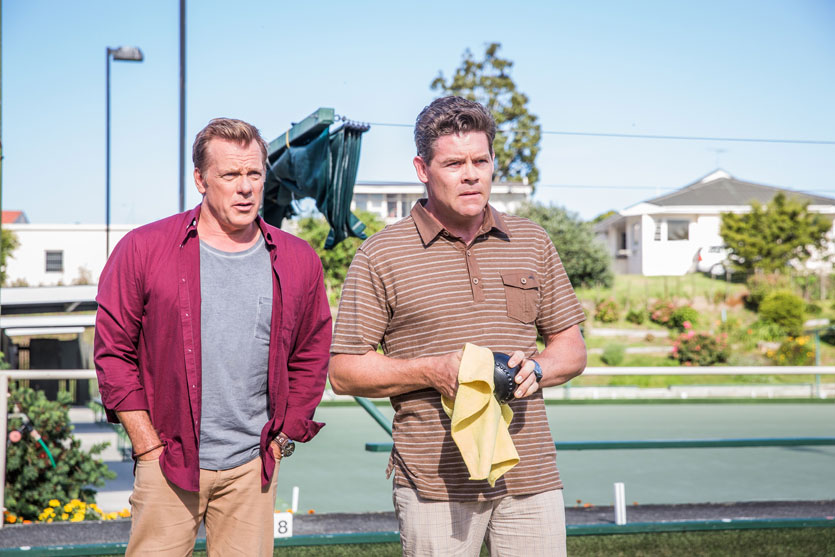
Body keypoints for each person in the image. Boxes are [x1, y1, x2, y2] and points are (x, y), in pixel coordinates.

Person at [329, 96, 587, 556]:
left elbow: (571, 348)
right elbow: (344, 371)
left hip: (530, 478)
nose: (471, 175)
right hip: (434, 484)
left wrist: (538, 369)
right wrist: (432, 371)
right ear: (422, 169)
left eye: (480, 161)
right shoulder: (380, 254)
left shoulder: (531, 240)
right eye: (453, 163)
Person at [94, 118, 331, 556]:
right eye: (230, 174)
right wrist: (146, 444)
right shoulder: (143, 249)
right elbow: (113, 352)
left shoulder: (298, 259)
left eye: (254, 173)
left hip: (252, 467)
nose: (245, 187)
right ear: (201, 180)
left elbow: (311, 353)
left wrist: (283, 438)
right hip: (168, 460)